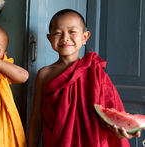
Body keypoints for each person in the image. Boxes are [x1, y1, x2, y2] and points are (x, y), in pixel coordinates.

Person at [29, 9, 140, 147]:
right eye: (58, 33)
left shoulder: (95, 71)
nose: (65, 38)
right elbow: (37, 117)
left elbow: (111, 112)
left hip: (92, 141)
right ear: (49, 38)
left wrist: (122, 130)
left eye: (72, 32)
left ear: (85, 37)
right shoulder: (44, 74)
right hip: (56, 141)